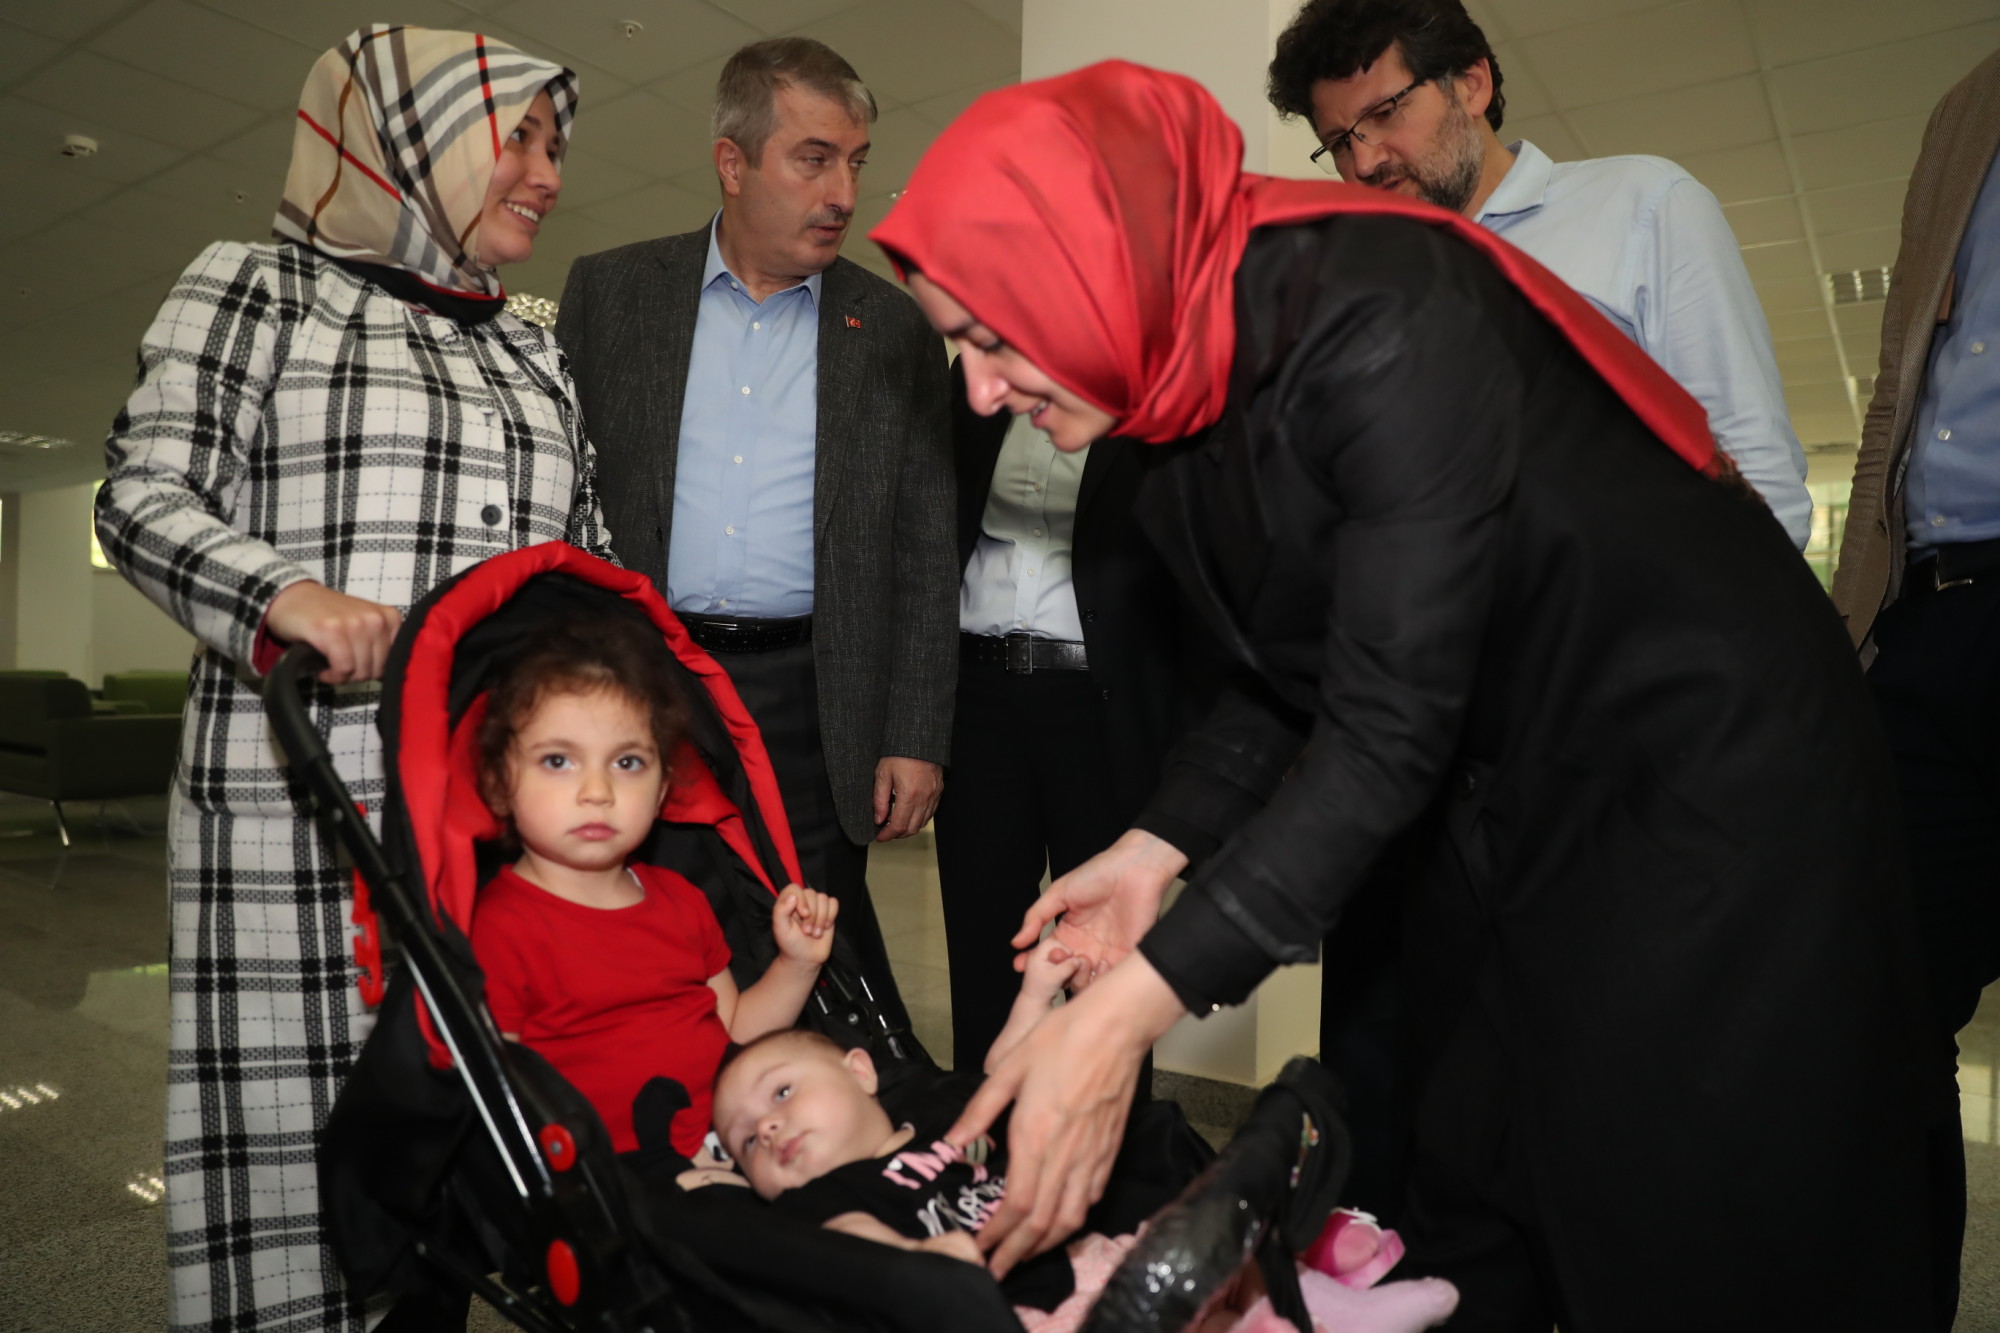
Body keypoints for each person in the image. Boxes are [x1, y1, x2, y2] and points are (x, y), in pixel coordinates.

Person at [868, 60, 1940, 1332]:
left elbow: (1383, 727)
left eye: (990, 340)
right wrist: (1153, 849)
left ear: (1086, 269)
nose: (978, 392)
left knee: (1686, 1184)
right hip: (1508, 774)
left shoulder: (1383, 308)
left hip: (1696, 760)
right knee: (1475, 1151)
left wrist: (1133, 1006)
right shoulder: (1163, 389)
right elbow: (1288, 672)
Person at [93, 25, 610, 1330]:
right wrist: (284, 596)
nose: (548, 174)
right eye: (517, 138)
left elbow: (585, 557)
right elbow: (142, 495)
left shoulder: (533, 349)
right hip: (309, 804)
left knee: (464, 1151)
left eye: (557, 146)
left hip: (489, 819)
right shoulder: (262, 288)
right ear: (412, 140)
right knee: (305, 1158)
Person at [556, 38, 955, 1023]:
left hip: (811, 699)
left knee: (812, 952)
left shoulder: (892, 330)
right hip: (645, 682)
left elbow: (923, 548)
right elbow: (559, 501)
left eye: (855, 162)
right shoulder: (611, 295)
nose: (843, 193)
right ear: (731, 163)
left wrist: (912, 734)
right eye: (813, 159)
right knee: (636, 935)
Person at [1266, 0, 1811, 549]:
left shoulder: (1642, 205)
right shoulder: (1366, 294)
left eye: (1384, 113)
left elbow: (1752, 458)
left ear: (1472, 85)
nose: (1363, 163)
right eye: (1340, 143)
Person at [709, 950, 1460, 1333]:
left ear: (860, 1071)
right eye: (744, 1140)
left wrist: (1038, 991)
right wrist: (927, 1264)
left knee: (1204, 1252)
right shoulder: (827, 1200)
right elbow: (854, 1248)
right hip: (1022, 1317)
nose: (767, 1127)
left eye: (781, 1092)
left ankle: (1322, 1293)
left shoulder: (937, 1118)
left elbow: (1008, 1077)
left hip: (1087, 1258)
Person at [1831, 46, 2000, 1329]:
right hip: (1927, 616)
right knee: (1885, 1022)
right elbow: (1898, 380)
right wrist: (1849, 631)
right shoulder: (1963, 110)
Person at [468, 614, 838, 1161]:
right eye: (558, 761)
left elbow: (734, 1032)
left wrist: (797, 965)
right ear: (499, 786)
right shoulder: (500, 928)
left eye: (627, 762)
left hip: (725, 1151)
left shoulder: (680, 900)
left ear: (663, 789)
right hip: (610, 1178)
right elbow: (497, 1100)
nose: (598, 790)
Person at [938, 359, 1211, 1068]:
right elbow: (936, 526)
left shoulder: (1155, 386)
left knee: (1104, 952)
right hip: (978, 694)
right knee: (983, 942)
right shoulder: (978, 378)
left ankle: (1108, 1128)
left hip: (1103, 706)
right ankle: (982, 1125)